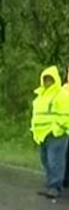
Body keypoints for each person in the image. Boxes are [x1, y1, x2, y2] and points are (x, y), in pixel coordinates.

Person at [31, 66, 69, 199]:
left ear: (56, 80)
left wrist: (58, 128)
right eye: (46, 79)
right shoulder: (41, 95)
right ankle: (51, 184)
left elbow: (65, 114)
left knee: (55, 161)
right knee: (45, 160)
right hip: (42, 134)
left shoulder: (61, 94)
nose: (48, 82)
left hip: (56, 133)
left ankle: (55, 187)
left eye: (50, 79)